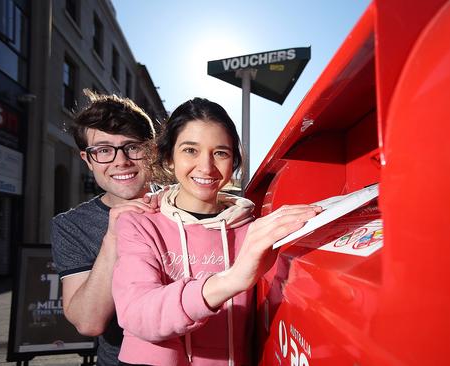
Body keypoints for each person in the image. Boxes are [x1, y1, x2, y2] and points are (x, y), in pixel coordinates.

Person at [112, 97, 321, 366]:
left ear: (233, 161)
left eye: (220, 153)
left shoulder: (252, 230)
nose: (206, 167)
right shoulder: (139, 223)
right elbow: (137, 313)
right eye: (190, 150)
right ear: (169, 159)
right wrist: (232, 279)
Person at [51, 91, 160, 365]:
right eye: (102, 150)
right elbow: (88, 322)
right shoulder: (71, 226)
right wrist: (113, 237)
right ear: (87, 160)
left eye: (132, 147)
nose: (120, 161)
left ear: (152, 150)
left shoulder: (183, 205)